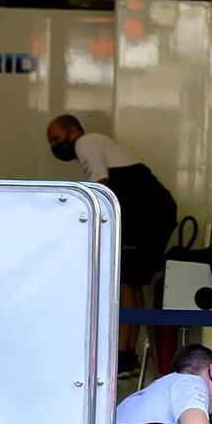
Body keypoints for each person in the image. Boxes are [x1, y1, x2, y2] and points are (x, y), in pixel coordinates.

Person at [46, 114, 178, 377]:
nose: (54, 146)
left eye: (55, 139)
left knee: (126, 282)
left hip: (145, 217)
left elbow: (99, 187)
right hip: (154, 214)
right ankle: (127, 356)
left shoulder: (85, 142)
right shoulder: (100, 143)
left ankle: (122, 356)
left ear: (72, 132)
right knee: (133, 283)